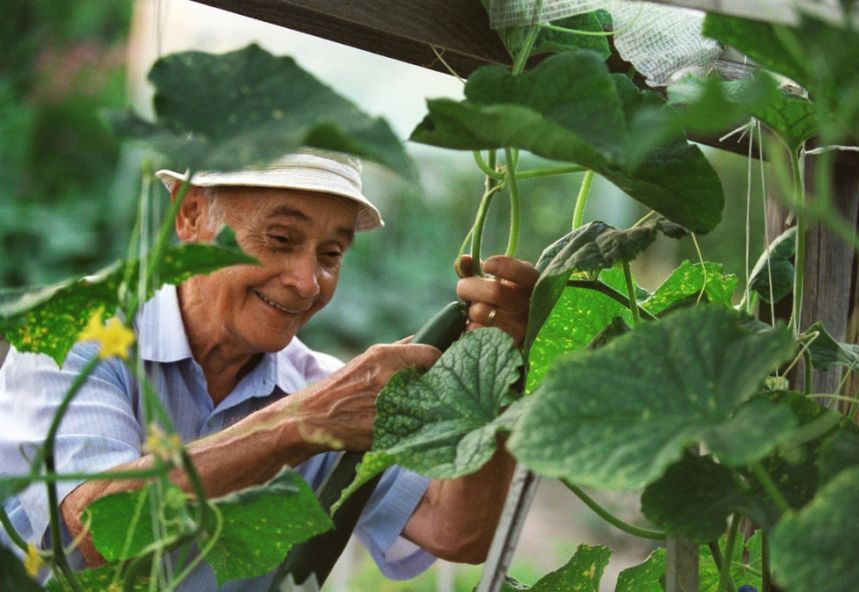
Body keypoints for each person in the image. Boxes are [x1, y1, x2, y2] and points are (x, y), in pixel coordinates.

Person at [0, 150, 538, 590]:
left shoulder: (328, 392)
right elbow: (94, 530)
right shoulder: (71, 330)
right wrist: (306, 424)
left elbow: (460, 531)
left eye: (330, 255)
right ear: (189, 216)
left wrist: (500, 363)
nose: (307, 282)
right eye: (280, 240)